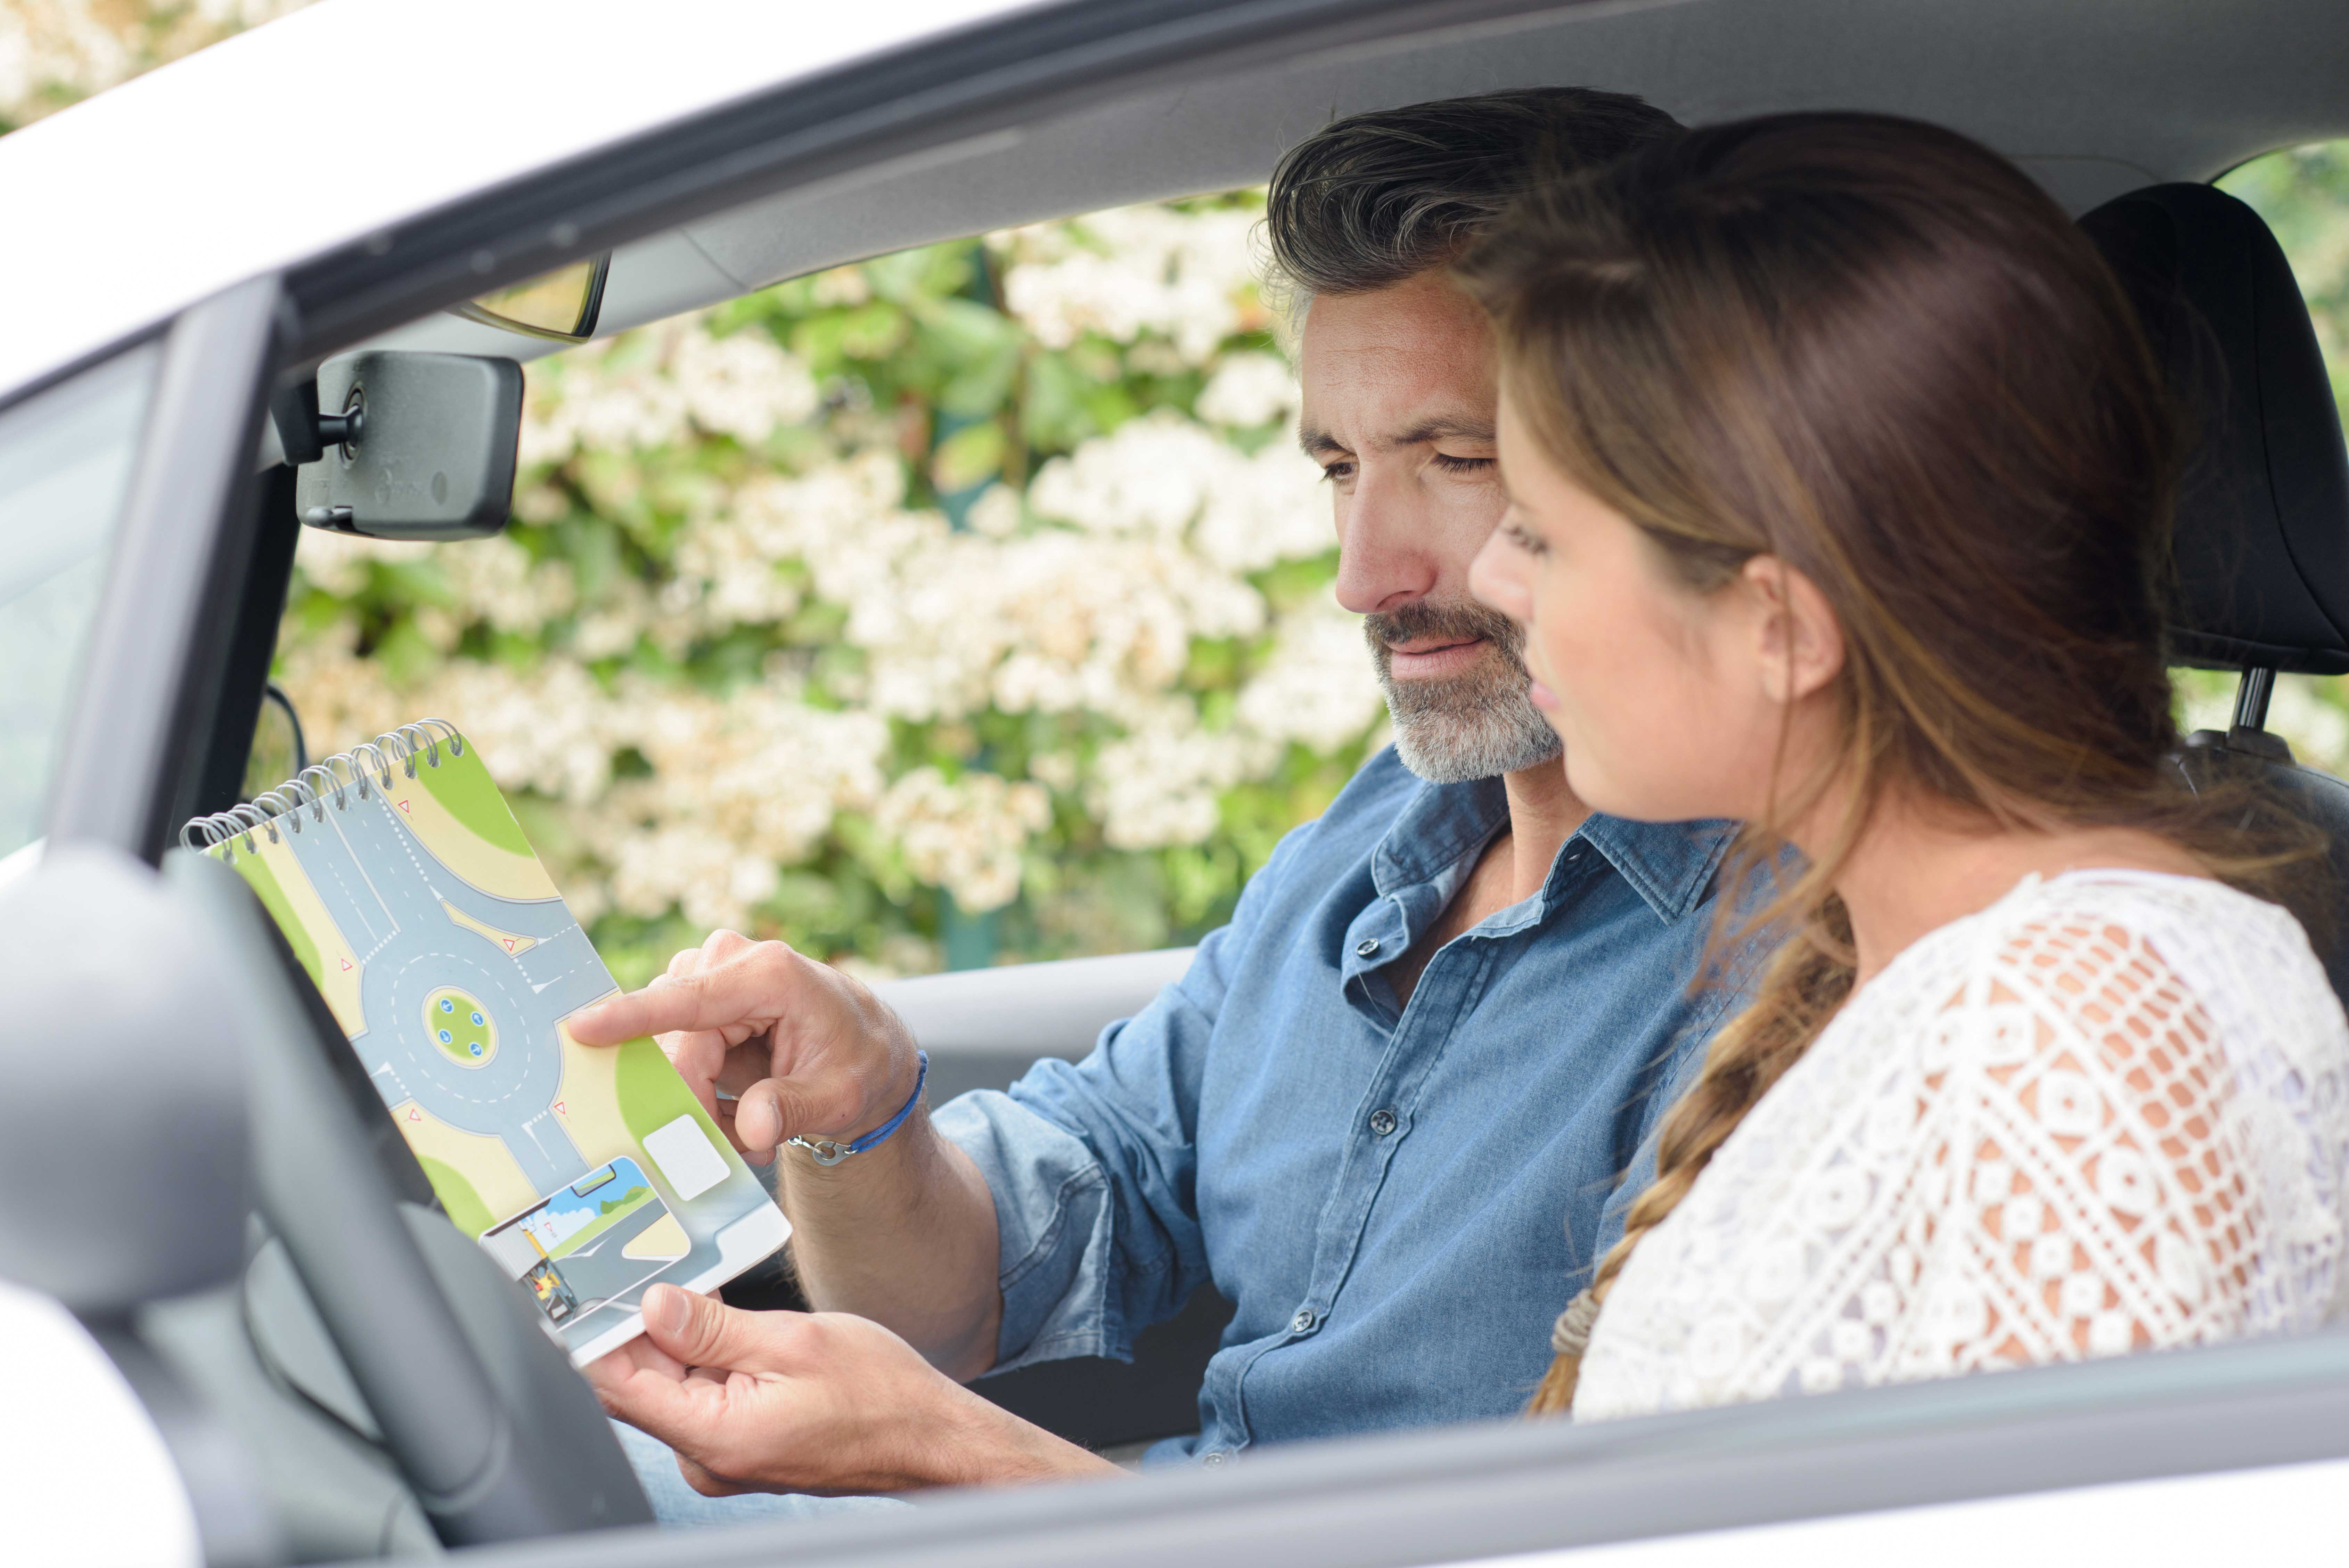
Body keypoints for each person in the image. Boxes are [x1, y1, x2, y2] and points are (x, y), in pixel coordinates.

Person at [573, 88, 1753, 1508]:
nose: (1362, 575)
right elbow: (983, 1284)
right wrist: (861, 1115)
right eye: (1338, 468)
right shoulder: (1380, 834)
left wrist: (957, 1461)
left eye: (1458, 461)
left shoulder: (1780, 965)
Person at [1457, 111, 2349, 1422]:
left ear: (1779, 626)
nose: (1490, 577)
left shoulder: (2074, 1041)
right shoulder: (1952, 973)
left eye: (1539, 535)